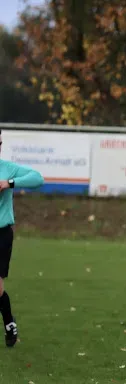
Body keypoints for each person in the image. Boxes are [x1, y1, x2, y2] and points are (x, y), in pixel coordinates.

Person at [0, 131, 45, 347]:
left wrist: (8, 183)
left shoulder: (7, 168)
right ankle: (9, 323)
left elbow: (37, 178)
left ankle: (9, 323)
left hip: (2, 233)